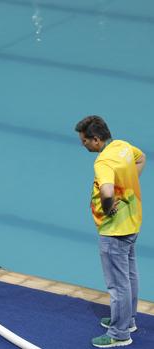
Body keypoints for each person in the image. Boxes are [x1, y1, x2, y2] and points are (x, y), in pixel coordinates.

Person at [75, 116, 146, 348]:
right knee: (130, 275)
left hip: (114, 229)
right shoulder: (123, 146)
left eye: (84, 141)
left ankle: (119, 333)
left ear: (96, 140)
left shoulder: (103, 162)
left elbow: (106, 192)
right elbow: (141, 157)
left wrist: (108, 207)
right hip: (133, 219)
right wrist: (127, 187)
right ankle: (129, 320)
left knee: (118, 284)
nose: (83, 144)